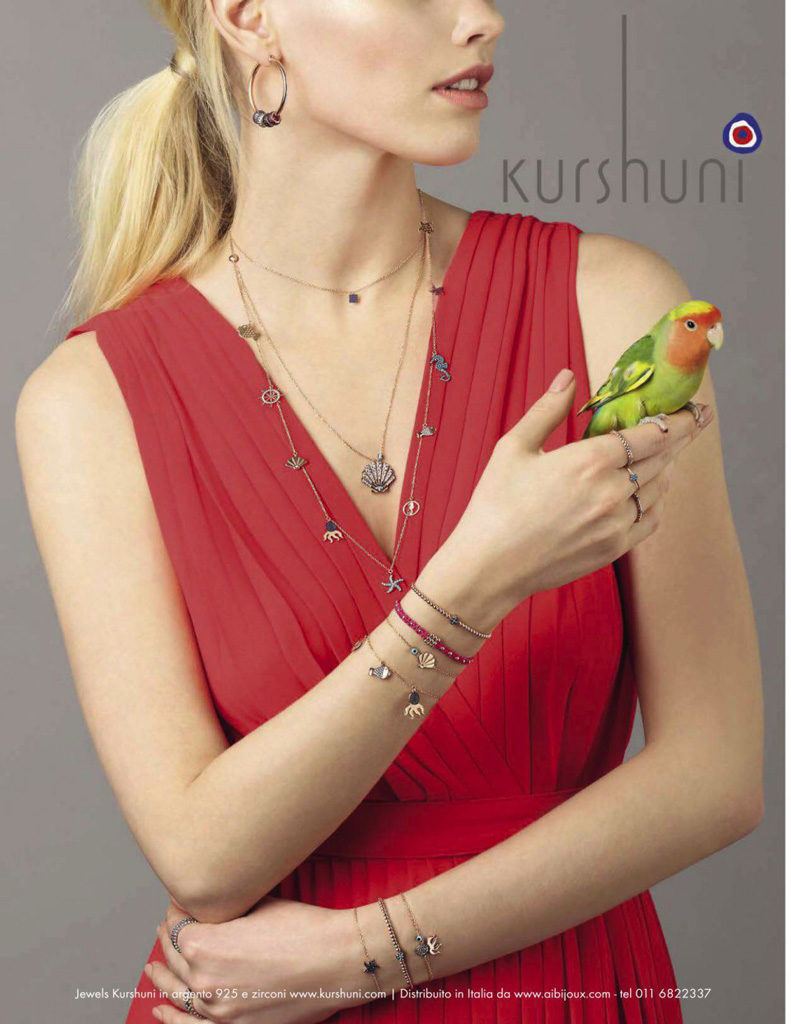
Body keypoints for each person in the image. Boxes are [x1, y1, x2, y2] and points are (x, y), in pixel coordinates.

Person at [15, 1, 763, 1022]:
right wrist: (476, 579)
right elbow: (203, 858)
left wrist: (364, 952)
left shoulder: (614, 306)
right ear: (248, 17)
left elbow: (716, 776)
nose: (482, 19)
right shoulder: (91, 398)